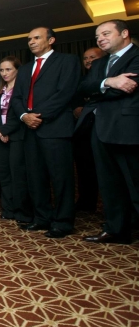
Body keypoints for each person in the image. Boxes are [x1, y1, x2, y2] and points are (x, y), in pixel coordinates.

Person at [11, 27, 81, 238]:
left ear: (51, 40)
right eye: (29, 39)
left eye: (36, 38)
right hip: (30, 130)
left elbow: (65, 93)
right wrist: (24, 116)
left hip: (55, 128)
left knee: (61, 178)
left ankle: (63, 222)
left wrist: (38, 116)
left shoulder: (67, 61)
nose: (31, 42)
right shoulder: (25, 69)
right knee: (35, 177)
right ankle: (42, 218)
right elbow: (16, 98)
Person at [79, 20, 138, 244]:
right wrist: (109, 81)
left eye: (105, 33)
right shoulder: (99, 63)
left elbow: (128, 87)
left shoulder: (136, 57)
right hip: (100, 129)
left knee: (135, 184)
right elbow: (83, 88)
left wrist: (100, 88)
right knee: (110, 184)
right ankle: (116, 230)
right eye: (97, 36)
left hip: (128, 130)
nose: (100, 39)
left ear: (124, 33)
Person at [0, 56, 31, 223]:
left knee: (18, 175)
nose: (4, 73)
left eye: (8, 69)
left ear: (17, 70)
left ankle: (22, 211)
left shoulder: (22, 90)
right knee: (4, 174)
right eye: (1, 70)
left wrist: (5, 130)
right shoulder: (0, 90)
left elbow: (20, 115)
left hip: (17, 137)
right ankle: (8, 209)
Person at [71, 47, 106, 212]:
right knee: (84, 168)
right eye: (85, 58)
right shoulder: (80, 80)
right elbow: (72, 99)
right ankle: (86, 202)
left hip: (105, 129)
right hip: (83, 130)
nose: (88, 61)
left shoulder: (108, 76)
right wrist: (76, 108)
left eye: (92, 57)